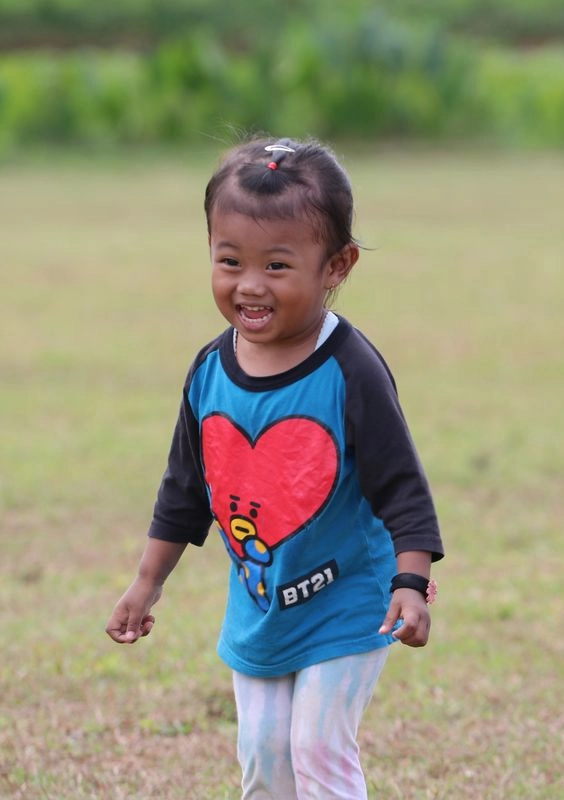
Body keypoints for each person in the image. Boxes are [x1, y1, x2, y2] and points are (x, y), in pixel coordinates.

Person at [105, 136, 445, 799]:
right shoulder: (210, 371)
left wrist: (412, 581)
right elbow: (184, 487)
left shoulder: (351, 370)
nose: (250, 285)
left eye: (278, 266)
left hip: (352, 599)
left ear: (336, 265)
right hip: (262, 603)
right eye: (229, 260)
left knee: (318, 750)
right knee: (263, 759)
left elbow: (401, 482)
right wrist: (147, 582)